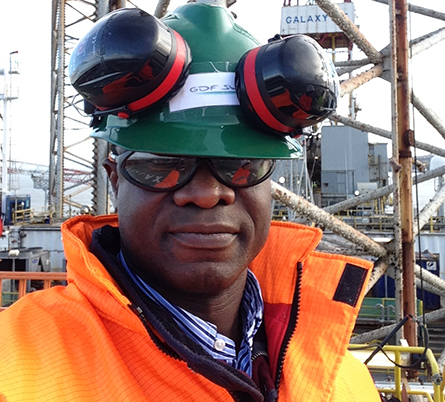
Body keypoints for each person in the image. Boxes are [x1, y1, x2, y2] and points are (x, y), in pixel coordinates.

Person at [0, 2, 381, 401]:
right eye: (161, 165)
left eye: (241, 166)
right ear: (115, 180)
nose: (206, 193)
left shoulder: (344, 384)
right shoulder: (19, 370)